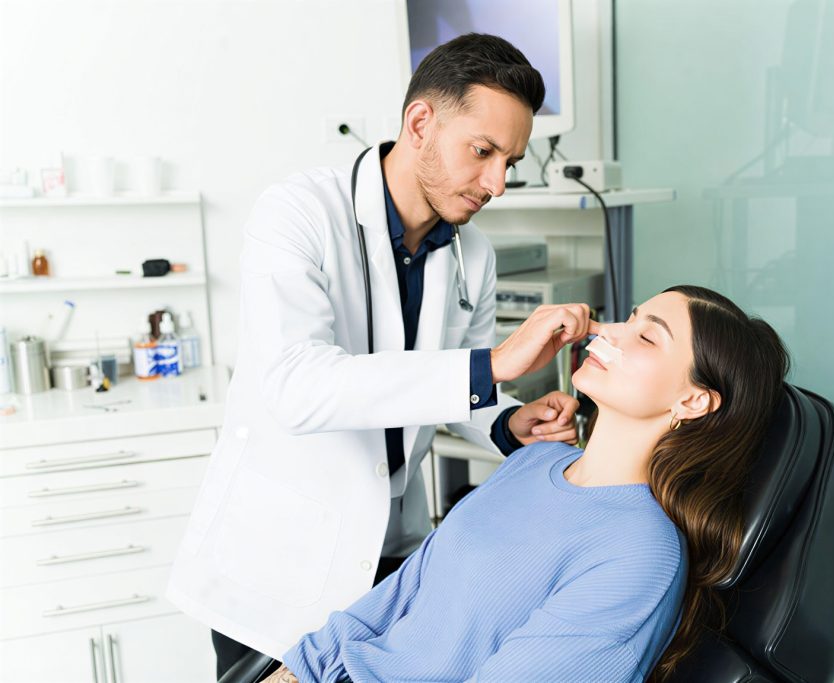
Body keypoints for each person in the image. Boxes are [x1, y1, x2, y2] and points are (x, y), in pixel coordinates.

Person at [165, 33, 594, 678]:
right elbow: (298, 387)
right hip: (276, 567)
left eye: (510, 160)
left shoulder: (472, 255)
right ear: (421, 123)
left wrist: (507, 421)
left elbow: (450, 389)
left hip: (391, 555)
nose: (497, 184)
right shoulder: (299, 214)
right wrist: (492, 367)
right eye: (482, 152)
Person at [256, 285, 791, 683]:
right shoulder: (533, 463)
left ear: (692, 401)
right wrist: (295, 671)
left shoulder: (640, 554)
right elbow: (400, 595)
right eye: (628, 318)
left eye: (647, 336)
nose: (608, 332)